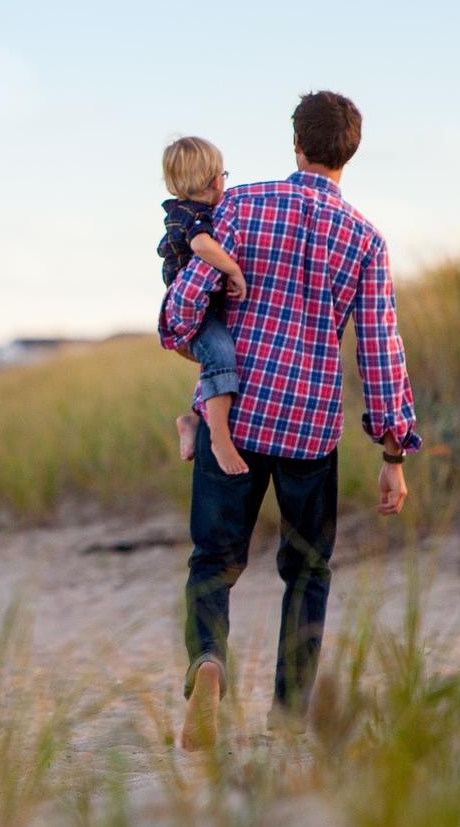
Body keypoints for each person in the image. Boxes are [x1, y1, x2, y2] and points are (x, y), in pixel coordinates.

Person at [158, 91, 421, 751]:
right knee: (306, 571)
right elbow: (380, 350)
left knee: (212, 563)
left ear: (295, 143)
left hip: (236, 418)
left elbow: (183, 304)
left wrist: (184, 332)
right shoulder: (364, 238)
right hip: (309, 429)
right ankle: (288, 714)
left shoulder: (240, 204)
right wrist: (392, 457)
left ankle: (208, 664)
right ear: (348, 152)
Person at [156, 137, 250, 475]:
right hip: (193, 312)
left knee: (216, 359)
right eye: (223, 174)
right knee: (222, 354)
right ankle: (219, 439)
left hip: (202, 308)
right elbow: (201, 246)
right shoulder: (191, 216)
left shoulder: (190, 210)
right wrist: (233, 268)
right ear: (214, 180)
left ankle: (193, 421)